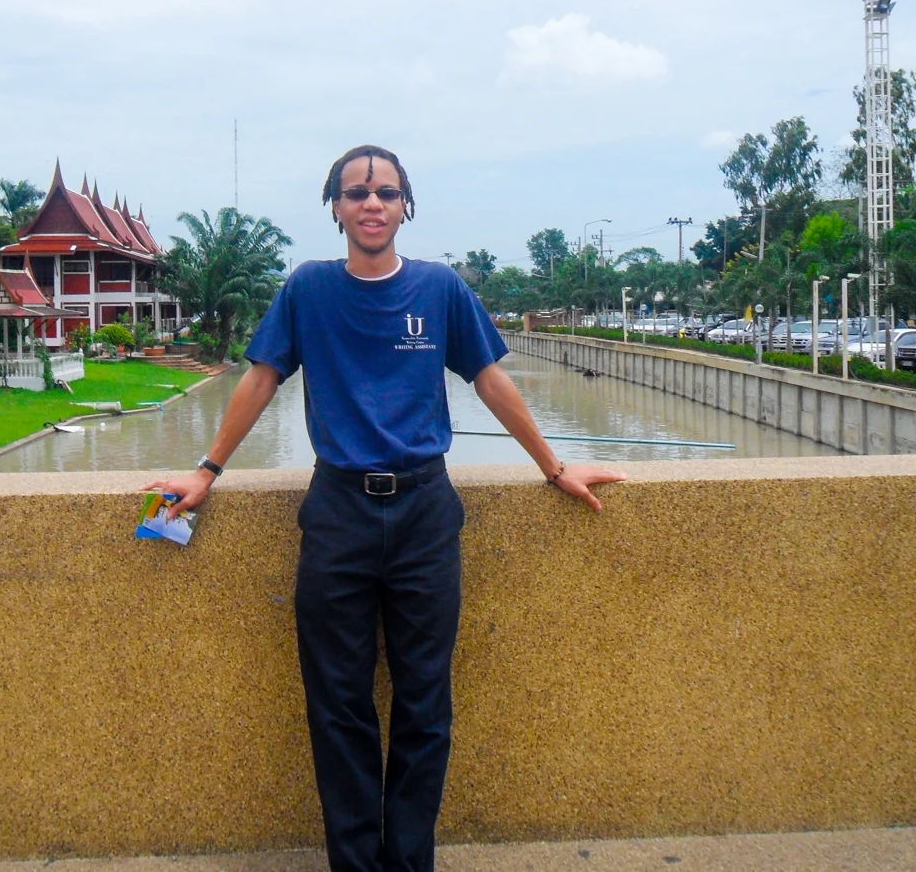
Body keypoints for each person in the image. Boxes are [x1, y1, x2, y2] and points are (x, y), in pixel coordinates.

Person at [151, 144, 623, 872]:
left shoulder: (439, 289)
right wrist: (207, 469)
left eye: (386, 191)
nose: (372, 203)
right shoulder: (308, 289)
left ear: (406, 205)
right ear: (334, 207)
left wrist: (554, 466)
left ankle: (409, 862)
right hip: (337, 510)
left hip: (425, 512)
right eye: (356, 191)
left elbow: (491, 381)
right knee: (338, 707)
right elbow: (261, 379)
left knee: (425, 705)